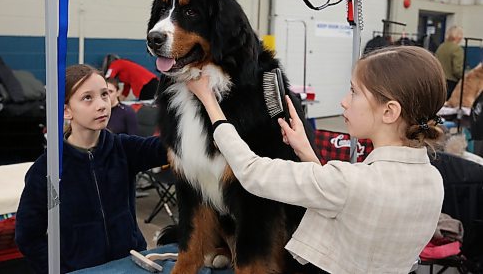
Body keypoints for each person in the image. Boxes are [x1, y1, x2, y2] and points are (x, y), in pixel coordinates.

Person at [186, 46, 446, 274]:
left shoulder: (350, 181)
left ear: (389, 111)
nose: (344, 102)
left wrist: (210, 102)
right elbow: (344, 200)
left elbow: (252, 172)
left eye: (354, 92)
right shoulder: (433, 180)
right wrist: (305, 151)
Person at [15, 64, 167, 274]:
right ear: (66, 110)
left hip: (129, 265)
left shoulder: (123, 149)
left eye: (104, 94)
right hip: (81, 270)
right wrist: (58, 268)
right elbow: (28, 235)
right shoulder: (47, 170)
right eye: (88, 98)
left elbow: (168, 147)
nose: (102, 105)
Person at [435, 25, 464, 99]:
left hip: (438, 79)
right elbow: (457, 70)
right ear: (458, 36)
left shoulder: (441, 46)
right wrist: (464, 78)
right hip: (451, 83)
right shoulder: (457, 49)